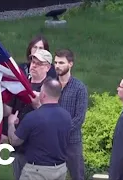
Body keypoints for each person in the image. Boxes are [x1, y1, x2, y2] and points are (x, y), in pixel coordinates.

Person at [8, 78, 71, 180]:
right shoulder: (67, 116)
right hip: (60, 169)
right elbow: (48, 121)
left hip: (37, 172)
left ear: (43, 95)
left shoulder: (32, 117)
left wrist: (11, 123)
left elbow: (15, 141)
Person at [3, 49, 52, 180]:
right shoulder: (20, 84)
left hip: (37, 151)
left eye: (39, 63)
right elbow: (8, 110)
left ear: (47, 67)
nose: (34, 65)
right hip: (18, 146)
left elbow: (52, 118)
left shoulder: (50, 87)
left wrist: (38, 106)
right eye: (33, 61)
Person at [54, 49, 88, 180]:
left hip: (72, 142)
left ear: (70, 64)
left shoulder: (79, 88)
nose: (57, 66)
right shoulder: (51, 85)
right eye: (56, 62)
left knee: (77, 176)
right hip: (52, 142)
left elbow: (79, 118)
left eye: (61, 62)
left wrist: (60, 132)